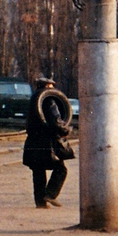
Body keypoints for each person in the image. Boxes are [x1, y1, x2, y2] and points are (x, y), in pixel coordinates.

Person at [22, 77, 72, 209]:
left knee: (38, 172)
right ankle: (50, 194)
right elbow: (55, 120)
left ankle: (40, 203)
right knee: (61, 169)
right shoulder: (49, 100)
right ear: (48, 86)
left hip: (33, 141)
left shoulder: (34, 99)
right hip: (47, 142)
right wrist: (65, 129)